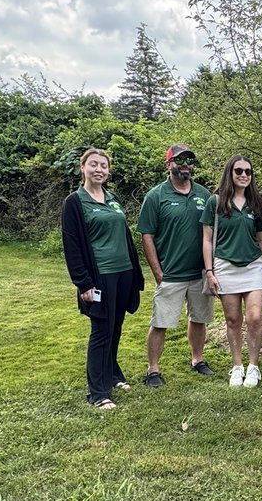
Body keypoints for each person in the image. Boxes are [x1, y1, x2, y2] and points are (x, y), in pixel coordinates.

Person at [60, 147, 144, 409]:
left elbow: (125, 237)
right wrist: (84, 283)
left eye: (104, 166)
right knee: (101, 330)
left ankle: (113, 374)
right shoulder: (74, 202)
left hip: (123, 274)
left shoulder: (113, 198)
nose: (99, 170)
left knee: (115, 327)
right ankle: (98, 393)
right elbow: (72, 245)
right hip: (100, 277)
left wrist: (135, 272)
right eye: (94, 164)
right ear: (82, 168)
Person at [137, 144, 215, 388]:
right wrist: (157, 271)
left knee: (199, 318)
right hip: (170, 273)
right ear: (168, 164)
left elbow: (212, 233)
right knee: (160, 322)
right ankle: (153, 370)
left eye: (189, 160)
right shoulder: (156, 196)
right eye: (179, 160)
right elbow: (147, 235)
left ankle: (197, 359)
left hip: (200, 272)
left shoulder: (204, 195)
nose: (185, 165)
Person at [202, 156, 262, 388]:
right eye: (239, 171)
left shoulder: (255, 204)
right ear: (229, 173)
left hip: (253, 267)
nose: (244, 175)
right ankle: (237, 366)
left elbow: (261, 240)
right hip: (225, 266)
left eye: (248, 172)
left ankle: (253, 367)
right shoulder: (216, 202)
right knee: (233, 320)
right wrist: (210, 271)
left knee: (254, 318)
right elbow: (207, 239)